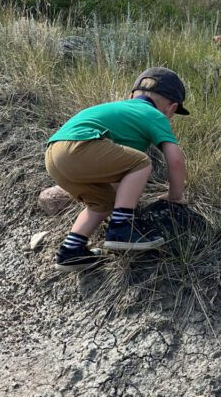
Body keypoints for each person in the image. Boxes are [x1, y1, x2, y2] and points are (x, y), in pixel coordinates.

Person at [45, 66, 189, 271]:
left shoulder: (120, 110)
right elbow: (175, 161)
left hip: (54, 154)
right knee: (141, 162)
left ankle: (71, 251)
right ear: (171, 108)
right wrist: (175, 196)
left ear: (131, 95)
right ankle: (122, 228)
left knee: (103, 203)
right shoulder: (154, 115)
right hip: (79, 146)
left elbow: (116, 174)